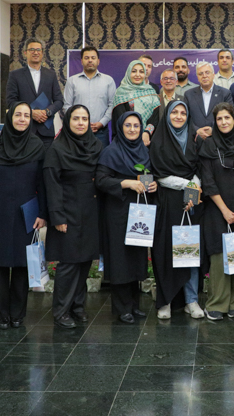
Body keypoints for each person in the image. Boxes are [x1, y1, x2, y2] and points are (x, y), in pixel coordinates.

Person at [0, 102, 48, 329]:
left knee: (22, 264)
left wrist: (43, 213)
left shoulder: (37, 145)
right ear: (10, 117)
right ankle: (0, 314)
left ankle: (17, 314)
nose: (22, 119)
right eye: (18, 115)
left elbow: (42, 183)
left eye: (26, 115)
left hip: (27, 213)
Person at [44, 105, 103, 328]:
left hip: (90, 212)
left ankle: (78, 306)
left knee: (85, 262)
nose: (80, 123)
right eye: (76, 118)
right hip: (66, 213)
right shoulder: (57, 149)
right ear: (68, 122)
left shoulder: (95, 146)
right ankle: (61, 311)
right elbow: (52, 185)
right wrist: (57, 217)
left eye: (84, 119)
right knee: (68, 263)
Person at [96, 111, 157, 324]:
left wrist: (152, 185)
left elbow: (147, 175)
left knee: (136, 257)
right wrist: (127, 183)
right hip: (118, 212)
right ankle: (122, 308)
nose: (132, 129)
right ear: (120, 128)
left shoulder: (144, 151)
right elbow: (101, 181)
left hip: (139, 212)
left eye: (136, 126)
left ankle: (133, 305)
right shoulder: (111, 151)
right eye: (128, 125)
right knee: (120, 259)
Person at [149, 100, 204, 319]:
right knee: (166, 252)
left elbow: (199, 169)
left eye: (183, 113)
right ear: (168, 115)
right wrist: (188, 185)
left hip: (190, 202)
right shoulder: (158, 140)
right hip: (167, 202)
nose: (179, 116)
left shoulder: (195, 140)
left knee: (189, 249)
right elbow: (159, 175)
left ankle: (191, 300)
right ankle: (166, 301)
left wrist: (193, 192)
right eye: (175, 112)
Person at [198, 102, 234, 320]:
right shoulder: (208, 146)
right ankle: (217, 304)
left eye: (227, 118)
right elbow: (207, 181)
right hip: (216, 208)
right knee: (219, 256)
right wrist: (225, 210)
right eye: (219, 119)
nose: (223, 122)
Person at [5, 40, 64, 148]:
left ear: (42, 53)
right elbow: (11, 101)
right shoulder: (15, 75)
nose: (35, 52)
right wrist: (30, 113)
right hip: (23, 130)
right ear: (25, 53)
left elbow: (59, 100)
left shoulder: (51, 75)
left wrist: (47, 112)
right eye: (32, 49)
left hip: (46, 131)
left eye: (38, 50)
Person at [62, 46, 115, 146]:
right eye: (86, 58)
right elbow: (67, 106)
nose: (90, 60)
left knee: (101, 156)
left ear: (98, 61)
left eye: (93, 58)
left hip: (100, 132)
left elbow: (112, 105)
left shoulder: (108, 81)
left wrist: (101, 123)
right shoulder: (72, 81)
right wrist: (78, 123)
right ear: (81, 61)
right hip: (77, 131)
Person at [112, 60, 160, 146]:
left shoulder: (151, 91)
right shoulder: (121, 92)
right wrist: (135, 133)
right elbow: (120, 118)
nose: (138, 75)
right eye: (134, 71)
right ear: (128, 73)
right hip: (126, 141)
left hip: (148, 140)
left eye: (141, 72)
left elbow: (155, 116)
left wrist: (147, 132)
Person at [184, 61, 233, 141]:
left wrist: (214, 130)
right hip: (195, 140)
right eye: (201, 74)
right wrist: (197, 130)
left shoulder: (225, 94)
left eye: (207, 72)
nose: (204, 76)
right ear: (197, 77)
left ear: (213, 75)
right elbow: (186, 117)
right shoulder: (188, 94)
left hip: (219, 139)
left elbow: (230, 117)